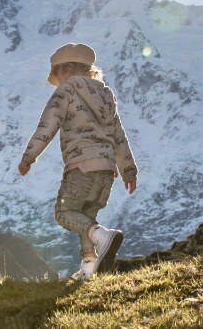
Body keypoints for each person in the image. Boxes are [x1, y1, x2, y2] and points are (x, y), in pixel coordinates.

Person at [19, 43, 138, 280]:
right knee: (86, 215)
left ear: (64, 70)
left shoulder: (67, 90)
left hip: (81, 166)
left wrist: (28, 157)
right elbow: (118, 134)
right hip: (107, 170)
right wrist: (128, 170)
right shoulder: (106, 95)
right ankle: (88, 268)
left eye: (57, 75)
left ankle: (102, 236)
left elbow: (47, 125)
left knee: (64, 212)